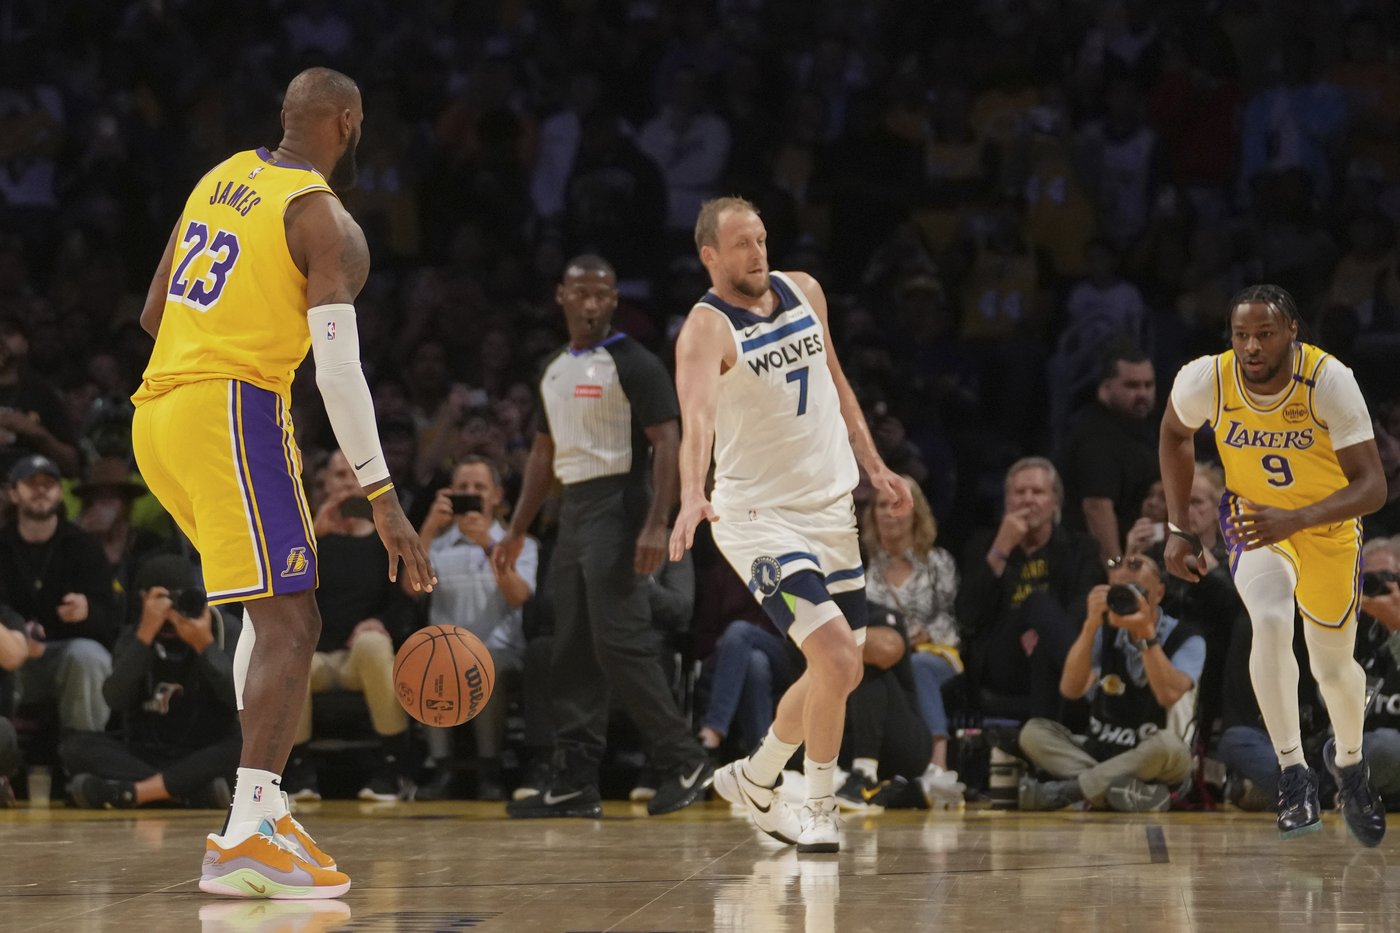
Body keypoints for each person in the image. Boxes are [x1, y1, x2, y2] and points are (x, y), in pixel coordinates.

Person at [130, 68, 433, 898]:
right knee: (294, 618)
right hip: (232, 405)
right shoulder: (319, 212)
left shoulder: (221, 175)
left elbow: (155, 312)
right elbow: (337, 370)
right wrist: (384, 498)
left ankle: (257, 811)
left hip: (157, 412)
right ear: (349, 121)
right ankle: (249, 831)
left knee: (267, 614)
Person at [669, 196, 913, 853]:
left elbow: (835, 381)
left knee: (843, 668)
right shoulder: (706, 329)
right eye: (741, 244)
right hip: (758, 516)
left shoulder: (804, 290)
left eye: (762, 239)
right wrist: (692, 491)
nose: (757, 254)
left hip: (830, 507)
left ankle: (757, 775)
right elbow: (695, 419)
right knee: (834, 655)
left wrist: (876, 466)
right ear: (710, 256)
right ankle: (818, 801)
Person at [1160, 283, 1388, 846]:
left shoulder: (1328, 379)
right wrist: (1178, 529)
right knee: (1268, 617)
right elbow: (1173, 432)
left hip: (1329, 527)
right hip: (1255, 521)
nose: (1253, 346)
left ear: (1292, 332)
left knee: (1333, 669)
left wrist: (1300, 519)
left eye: (1264, 334)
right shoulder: (1206, 378)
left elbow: (1374, 486)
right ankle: (1292, 775)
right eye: (1242, 335)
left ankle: (1352, 767)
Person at [494, 254, 713, 819]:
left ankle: (684, 759)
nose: (591, 304)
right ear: (561, 298)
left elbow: (667, 441)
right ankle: (574, 780)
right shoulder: (552, 370)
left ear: (615, 301)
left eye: (602, 295)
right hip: (574, 509)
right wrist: (517, 531)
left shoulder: (634, 363)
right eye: (581, 294)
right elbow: (543, 454)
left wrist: (656, 522)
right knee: (569, 647)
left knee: (621, 643)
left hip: (621, 501)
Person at [1017, 553, 1204, 812]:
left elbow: (1168, 695)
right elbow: (1071, 689)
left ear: (1158, 594)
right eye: (1120, 592)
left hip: (1159, 760)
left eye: (1136, 591)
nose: (1128, 600)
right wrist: (1090, 625)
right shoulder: (1104, 632)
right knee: (1033, 733)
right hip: (1103, 750)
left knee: (1167, 746)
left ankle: (1073, 790)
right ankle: (1123, 790)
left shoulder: (1188, 639)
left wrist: (1146, 636)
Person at [282, 451, 415, 804]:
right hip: (318, 658)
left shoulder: (386, 538)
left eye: (353, 474)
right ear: (324, 483)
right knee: (291, 659)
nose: (345, 482)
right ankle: (298, 771)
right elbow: (281, 593)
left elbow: (404, 604)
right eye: (338, 475)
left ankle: (391, 768)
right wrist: (313, 535)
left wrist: (379, 622)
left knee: (373, 643)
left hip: (361, 659)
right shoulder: (306, 535)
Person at [60, 554, 242, 810]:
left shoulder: (224, 629)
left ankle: (132, 792)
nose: (171, 609)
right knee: (74, 747)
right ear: (143, 599)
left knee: (242, 745)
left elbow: (239, 699)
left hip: (204, 750)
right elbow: (114, 698)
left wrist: (205, 646)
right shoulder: (134, 635)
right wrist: (144, 637)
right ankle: (188, 793)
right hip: (147, 751)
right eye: (162, 599)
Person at [418, 455, 537, 801]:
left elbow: (518, 596)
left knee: (485, 663)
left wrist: (489, 546)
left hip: (500, 652)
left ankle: (490, 768)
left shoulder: (520, 545)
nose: (470, 493)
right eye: (462, 488)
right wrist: (426, 530)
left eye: (479, 488)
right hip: (444, 653)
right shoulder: (436, 546)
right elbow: (412, 587)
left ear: (496, 496)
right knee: (427, 661)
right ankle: (440, 768)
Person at [956, 457, 1104, 722]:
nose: (1027, 500)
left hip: (1053, 655)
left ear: (1055, 502)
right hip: (1003, 658)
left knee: (1042, 613)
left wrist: (1046, 632)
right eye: (1019, 492)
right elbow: (967, 616)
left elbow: (1085, 605)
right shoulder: (983, 546)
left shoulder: (1080, 548)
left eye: (1037, 492)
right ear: (1006, 501)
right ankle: (1093, 688)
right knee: (1036, 601)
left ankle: (1044, 744)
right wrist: (1001, 548)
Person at [861, 475, 964, 797]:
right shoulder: (864, 568)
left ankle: (938, 765)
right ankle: (865, 769)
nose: (889, 513)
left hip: (936, 653)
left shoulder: (937, 562)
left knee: (919, 665)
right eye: (881, 505)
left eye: (898, 504)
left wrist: (921, 635)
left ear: (915, 511)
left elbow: (952, 618)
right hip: (890, 656)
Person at [2, 453, 119, 734]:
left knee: (89, 656)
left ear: (59, 493)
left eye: (49, 483)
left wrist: (88, 611)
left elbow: (114, 623)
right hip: (9, 656)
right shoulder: (2, 545)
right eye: (32, 483)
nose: (41, 489)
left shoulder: (84, 547)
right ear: (13, 493)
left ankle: (84, 758)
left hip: (62, 658)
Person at [1058, 341, 1158, 561]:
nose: (1142, 393)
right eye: (1132, 386)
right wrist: (1115, 570)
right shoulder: (1096, 437)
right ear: (1105, 388)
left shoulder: (1142, 428)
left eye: (1148, 385)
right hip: (1096, 564)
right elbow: (1097, 507)